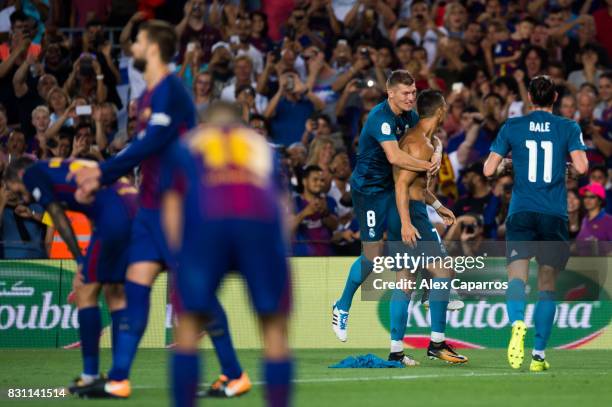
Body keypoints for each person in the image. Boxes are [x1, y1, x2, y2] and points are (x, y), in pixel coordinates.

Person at [70, 20, 248, 399]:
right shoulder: (149, 95)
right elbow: (146, 151)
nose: (130, 46)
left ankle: (234, 374)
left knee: (195, 293)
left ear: (151, 47)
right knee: (135, 289)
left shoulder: (172, 91)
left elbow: (152, 143)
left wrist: (100, 172)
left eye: (135, 41)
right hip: (149, 212)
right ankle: (118, 378)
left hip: (177, 210)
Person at [160, 102, 292, 407]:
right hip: (259, 225)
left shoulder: (189, 144)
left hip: (208, 224)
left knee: (190, 325)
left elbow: (172, 203)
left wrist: (179, 254)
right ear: (241, 123)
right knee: (273, 330)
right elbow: (282, 202)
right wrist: (278, 253)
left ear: (203, 123)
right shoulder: (258, 145)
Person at [3, 156, 136, 392]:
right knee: (116, 295)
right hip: (129, 204)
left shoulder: (32, 174)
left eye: (16, 190)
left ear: (19, 175)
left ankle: (90, 376)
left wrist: (80, 260)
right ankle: (118, 378)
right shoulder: (59, 167)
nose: (23, 197)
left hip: (113, 214)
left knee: (85, 292)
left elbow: (58, 218)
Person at [484, 75, 589, 372]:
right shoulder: (568, 127)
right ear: (554, 97)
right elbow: (581, 167)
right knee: (546, 286)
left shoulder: (513, 126)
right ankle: (538, 356)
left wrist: (507, 163)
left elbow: (488, 168)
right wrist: (564, 167)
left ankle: (518, 323)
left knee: (517, 279)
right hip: (553, 214)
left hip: (521, 213)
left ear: (529, 97)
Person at [331, 70, 440, 343]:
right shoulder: (380, 118)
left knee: (419, 235)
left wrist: (436, 151)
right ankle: (342, 305)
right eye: (405, 93)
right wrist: (427, 165)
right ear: (390, 93)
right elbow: (394, 156)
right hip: (369, 191)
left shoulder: (410, 116)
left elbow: (430, 137)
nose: (411, 97)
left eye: (414, 92)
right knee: (372, 254)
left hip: (392, 189)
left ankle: (429, 291)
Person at [388, 89, 468, 366]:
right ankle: (436, 343)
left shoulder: (428, 140)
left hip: (413, 211)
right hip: (410, 215)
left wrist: (437, 205)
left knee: (406, 280)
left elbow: (417, 187)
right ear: (441, 110)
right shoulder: (420, 143)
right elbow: (400, 185)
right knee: (442, 270)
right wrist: (407, 223)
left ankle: (396, 351)